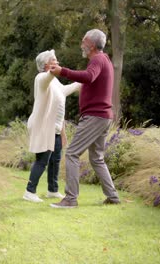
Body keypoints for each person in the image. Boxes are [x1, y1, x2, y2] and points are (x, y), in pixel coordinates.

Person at [48, 29, 120, 208]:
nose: (81, 44)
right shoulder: (104, 60)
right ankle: (113, 197)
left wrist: (62, 71)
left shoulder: (97, 59)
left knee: (72, 153)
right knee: (97, 158)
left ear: (92, 45)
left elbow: (89, 77)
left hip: (95, 116)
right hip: (103, 116)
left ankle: (71, 199)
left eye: (84, 41)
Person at [23, 49, 81, 203]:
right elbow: (46, 79)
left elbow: (64, 91)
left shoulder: (55, 82)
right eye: (54, 60)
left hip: (55, 128)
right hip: (43, 127)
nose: (57, 62)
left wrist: (80, 82)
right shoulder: (42, 77)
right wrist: (53, 73)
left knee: (55, 160)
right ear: (46, 64)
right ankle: (29, 191)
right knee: (42, 160)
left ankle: (53, 190)